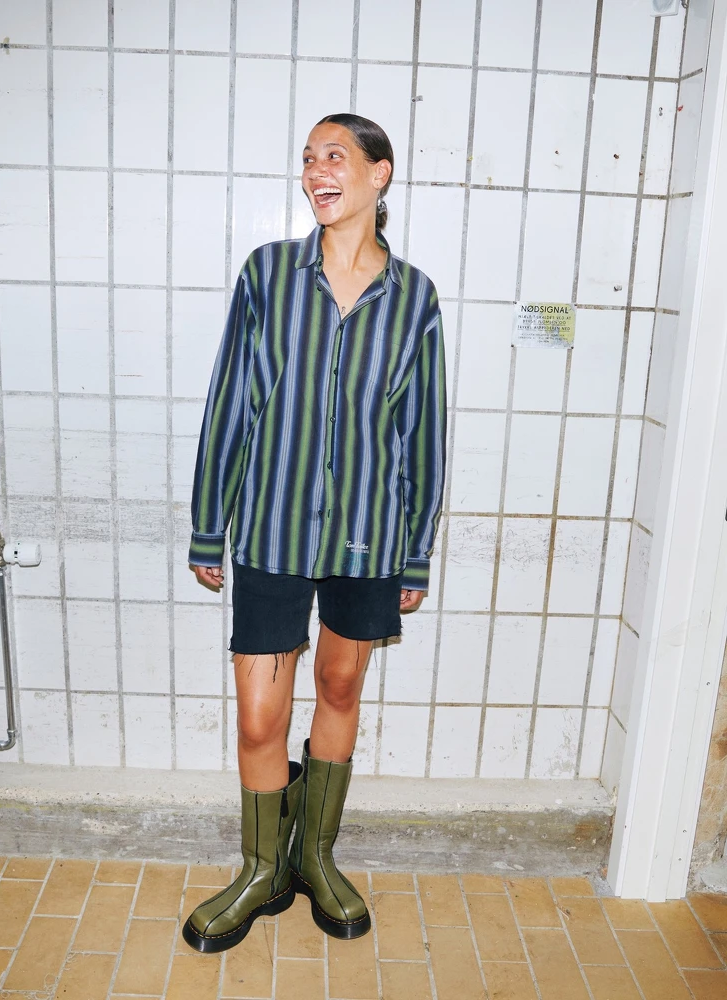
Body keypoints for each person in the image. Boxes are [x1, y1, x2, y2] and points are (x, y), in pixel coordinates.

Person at [182, 113, 446, 954]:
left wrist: (415, 550)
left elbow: (422, 432)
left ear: (379, 173)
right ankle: (262, 870)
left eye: (335, 156)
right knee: (260, 720)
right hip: (271, 528)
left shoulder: (414, 298)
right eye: (307, 158)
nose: (315, 171)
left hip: (369, 536)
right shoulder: (267, 275)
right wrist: (208, 526)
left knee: (339, 689)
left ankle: (315, 856)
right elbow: (231, 400)